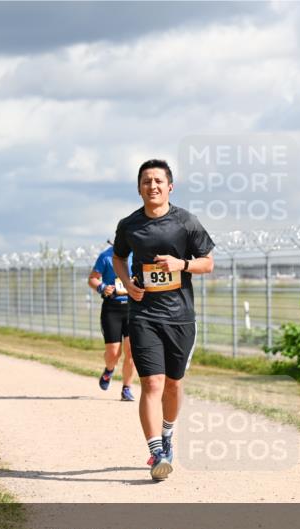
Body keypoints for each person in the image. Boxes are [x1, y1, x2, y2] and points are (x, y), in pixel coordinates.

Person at [112, 159, 215, 481]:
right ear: (139, 188)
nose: (152, 186)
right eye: (146, 181)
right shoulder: (129, 225)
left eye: (158, 181)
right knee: (152, 382)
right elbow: (118, 257)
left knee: (173, 384)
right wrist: (127, 284)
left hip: (180, 317)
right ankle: (157, 452)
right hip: (143, 314)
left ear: (170, 186)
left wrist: (181, 264)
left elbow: (208, 263)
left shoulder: (186, 222)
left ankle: (167, 434)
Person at [88, 242, 136, 401]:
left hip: (133, 308)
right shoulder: (106, 256)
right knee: (114, 353)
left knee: (132, 351)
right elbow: (93, 279)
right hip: (112, 309)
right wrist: (102, 287)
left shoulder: (138, 254)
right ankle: (109, 370)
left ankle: (126, 388)